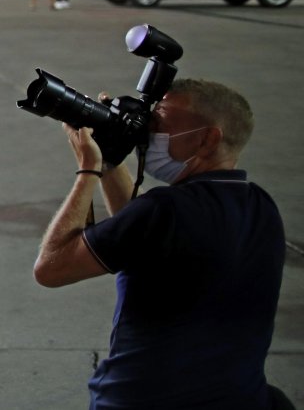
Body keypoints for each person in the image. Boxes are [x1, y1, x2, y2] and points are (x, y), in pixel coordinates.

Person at [33, 79, 288, 410]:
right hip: (236, 398)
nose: (149, 133)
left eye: (161, 122)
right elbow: (144, 232)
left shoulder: (163, 211)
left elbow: (52, 268)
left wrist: (88, 169)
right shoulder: (260, 206)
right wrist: (111, 162)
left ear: (208, 139)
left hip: (140, 399)